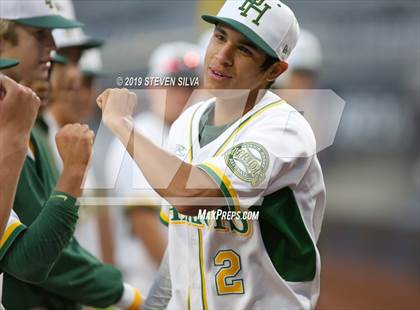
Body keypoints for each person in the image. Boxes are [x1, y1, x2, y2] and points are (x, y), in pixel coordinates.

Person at [97, 0, 326, 309]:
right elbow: (179, 249)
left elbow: (190, 195)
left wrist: (121, 125)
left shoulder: (283, 129)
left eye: (244, 49)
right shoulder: (188, 123)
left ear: (274, 69)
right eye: (220, 37)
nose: (222, 56)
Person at [0, 1, 141, 309]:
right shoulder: (23, 130)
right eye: (40, 34)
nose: (54, 49)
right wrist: (126, 295)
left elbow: (68, 246)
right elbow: (30, 261)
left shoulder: (35, 130)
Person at [104, 41, 200, 294]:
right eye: (173, 84)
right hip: (152, 287)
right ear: (152, 87)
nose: (181, 93)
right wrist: (186, 287)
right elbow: (143, 221)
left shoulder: (188, 137)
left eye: (189, 85)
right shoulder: (143, 133)